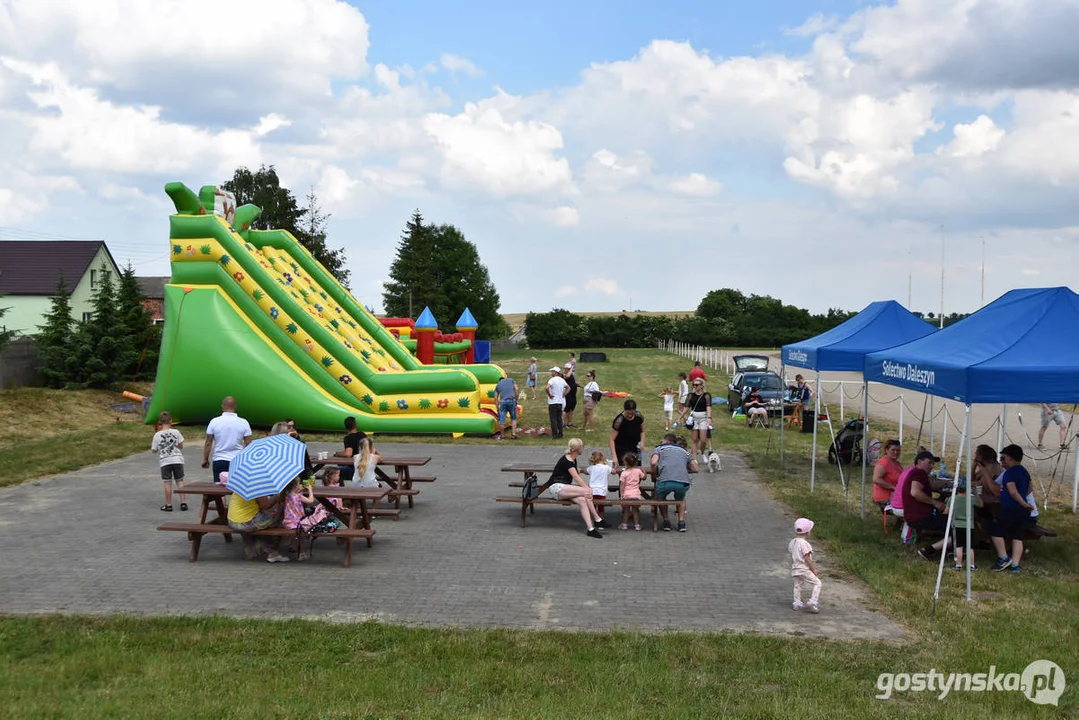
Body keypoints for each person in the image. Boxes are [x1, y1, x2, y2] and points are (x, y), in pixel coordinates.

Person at [535, 438, 609, 538]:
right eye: (582, 447)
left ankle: (590, 529)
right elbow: (576, 477)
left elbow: (574, 472)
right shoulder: (567, 460)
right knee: (587, 491)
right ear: (577, 449)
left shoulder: (573, 460)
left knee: (583, 500)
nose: (583, 448)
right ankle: (598, 519)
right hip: (557, 487)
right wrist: (587, 487)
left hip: (564, 489)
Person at [990, 445, 1035, 573]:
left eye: (1003, 457)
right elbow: (1030, 489)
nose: (1001, 460)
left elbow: (1013, 492)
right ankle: (1015, 565)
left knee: (995, 529)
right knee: (1017, 535)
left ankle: (1003, 557)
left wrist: (1022, 502)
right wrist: (1024, 502)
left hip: (1012, 508)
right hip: (1022, 511)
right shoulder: (1024, 471)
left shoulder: (1009, 473)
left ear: (1009, 458)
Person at [902, 451, 951, 561]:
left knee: (948, 517)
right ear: (919, 462)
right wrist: (935, 503)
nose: (932, 466)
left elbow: (931, 485)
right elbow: (915, 492)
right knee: (956, 527)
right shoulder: (919, 473)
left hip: (913, 514)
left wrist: (947, 483)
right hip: (920, 516)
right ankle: (929, 550)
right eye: (929, 463)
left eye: (933, 463)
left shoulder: (916, 473)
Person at [227, 479, 289, 563]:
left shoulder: (242, 483)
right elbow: (265, 505)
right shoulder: (257, 485)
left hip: (232, 520)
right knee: (280, 513)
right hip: (244, 523)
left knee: (266, 520)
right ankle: (275, 549)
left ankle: (267, 549)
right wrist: (278, 495)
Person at [650, 432, 697, 532]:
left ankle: (666, 521)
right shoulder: (685, 451)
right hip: (683, 482)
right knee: (681, 499)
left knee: (660, 497)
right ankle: (681, 523)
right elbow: (696, 468)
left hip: (665, 480)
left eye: (662, 440)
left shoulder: (659, 448)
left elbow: (653, 462)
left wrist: (655, 473)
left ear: (667, 441)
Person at [201, 396, 252, 481]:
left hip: (219, 459)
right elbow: (248, 443)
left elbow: (208, 443)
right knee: (237, 488)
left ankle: (222, 495)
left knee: (219, 488)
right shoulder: (244, 422)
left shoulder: (214, 421)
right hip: (237, 460)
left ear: (222, 407)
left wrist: (205, 459)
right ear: (235, 406)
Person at [151, 411, 187, 512]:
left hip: (165, 461)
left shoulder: (157, 435)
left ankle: (169, 504)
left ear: (159, 422)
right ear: (171, 421)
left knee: (167, 483)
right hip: (177, 459)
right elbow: (181, 445)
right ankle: (183, 502)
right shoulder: (176, 432)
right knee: (179, 480)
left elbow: (153, 450)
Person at [789, 518, 821, 613]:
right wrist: (813, 569)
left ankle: (797, 603)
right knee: (817, 583)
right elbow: (807, 558)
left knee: (797, 586)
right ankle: (813, 601)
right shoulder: (804, 544)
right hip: (803, 568)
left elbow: (791, 551)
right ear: (808, 532)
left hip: (795, 568)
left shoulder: (793, 542)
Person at [282, 476, 318, 562]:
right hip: (298, 523)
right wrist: (310, 489)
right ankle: (301, 553)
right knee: (303, 535)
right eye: (298, 484)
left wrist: (298, 491)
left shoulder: (286, 494)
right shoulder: (298, 496)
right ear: (295, 486)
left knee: (295, 534)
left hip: (287, 522)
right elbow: (311, 500)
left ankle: (294, 548)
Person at [951, 487, 982, 571]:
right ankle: (972, 565)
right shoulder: (971, 499)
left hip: (958, 525)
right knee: (970, 547)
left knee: (959, 546)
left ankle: (958, 565)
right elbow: (981, 504)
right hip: (969, 525)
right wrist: (976, 493)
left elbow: (947, 511)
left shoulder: (952, 499)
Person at [680, 378, 712, 462]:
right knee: (694, 439)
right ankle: (694, 458)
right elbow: (686, 407)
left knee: (703, 440)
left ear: (701, 386)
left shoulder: (706, 395)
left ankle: (702, 452)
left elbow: (708, 407)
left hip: (703, 418)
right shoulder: (691, 395)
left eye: (697, 385)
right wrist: (680, 416)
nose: (695, 386)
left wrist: (709, 418)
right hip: (694, 418)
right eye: (693, 385)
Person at [610, 399, 645, 469]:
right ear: (624, 410)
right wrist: (614, 457)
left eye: (632, 413)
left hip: (635, 449)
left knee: (636, 472)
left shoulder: (639, 416)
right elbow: (611, 439)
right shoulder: (619, 420)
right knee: (624, 473)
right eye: (628, 413)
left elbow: (642, 431)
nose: (630, 415)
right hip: (622, 450)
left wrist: (642, 442)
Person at [333, 416, 367, 483]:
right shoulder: (363, 435)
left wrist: (336, 454)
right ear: (355, 425)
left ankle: (338, 490)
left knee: (333, 472)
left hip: (354, 469)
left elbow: (348, 454)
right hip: (366, 468)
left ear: (345, 427)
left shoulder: (348, 438)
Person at [618, 452, 646, 531]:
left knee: (626, 511)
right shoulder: (638, 471)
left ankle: (624, 524)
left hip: (627, 494)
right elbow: (643, 478)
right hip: (636, 494)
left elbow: (622, 485)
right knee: (635, 510)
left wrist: (622, 494)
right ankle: (637, 525)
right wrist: (644, 472)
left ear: (625, 462)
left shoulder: (624, 473)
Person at [872, 440, 903, 507]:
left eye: (898, 450)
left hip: (896, 495)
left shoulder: (897, 463)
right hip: (885, 497)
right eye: (893, 450)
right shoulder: (884, 463)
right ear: (886, 450)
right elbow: (876, 479)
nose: (896, 452)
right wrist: (894, 488)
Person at [585, 450, 612, 519]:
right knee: (601, 509)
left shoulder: (591, 468)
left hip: (592, 491)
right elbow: (614, 471)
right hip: (602, 491)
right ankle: (600, 521)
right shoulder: (606, 467)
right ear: (603, 459)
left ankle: (591, 522)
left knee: (592, 508)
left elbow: (585, 471)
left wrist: (581, 470)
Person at [494, 375, 520, 439]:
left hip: (503, 402)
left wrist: (497, 409)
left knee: (502, 420)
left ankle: (502, 436)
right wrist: (516, 399)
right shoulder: (510, 380)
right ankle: (513, 434)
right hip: (511, 400)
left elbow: (495, 398)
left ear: (499, 381)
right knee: (513, 418)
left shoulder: (498, 385)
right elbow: (517, 389)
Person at [546, 366, 569, 438]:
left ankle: (555, 434)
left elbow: (547, 387)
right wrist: (563, 394)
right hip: (560, 402)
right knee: (559, 418)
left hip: (553, 402)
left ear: (555, 372)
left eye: (552, 371)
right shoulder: (562, 380)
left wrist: (549, 395)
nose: (551, 372)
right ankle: (561, 433)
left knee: (553, 419)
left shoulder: (552, 380)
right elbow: (568, 388)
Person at [562, 363, 578, 428]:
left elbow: (571, 381)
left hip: (573, 395)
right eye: (567, 369)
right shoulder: (564, 375)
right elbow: (567, 376)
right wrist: (571, 368)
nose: (568, 370)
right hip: (568, 395)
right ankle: (563, 424)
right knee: (566, 410)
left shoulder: (571, 375)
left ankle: (569, 423)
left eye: (569, 369)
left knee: (571, 409)